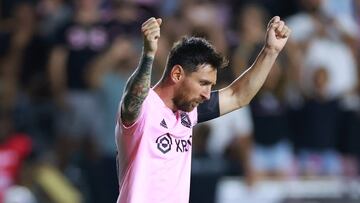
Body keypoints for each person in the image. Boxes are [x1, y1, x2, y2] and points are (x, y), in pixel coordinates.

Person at [116, 16, 291, 203]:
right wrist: (149, 55)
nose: (207, 94)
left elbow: (238, 95)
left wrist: (270, 51)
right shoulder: (145, 108)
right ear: (177, 74)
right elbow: (134, 96)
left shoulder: (188, 112)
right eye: (203, 83)